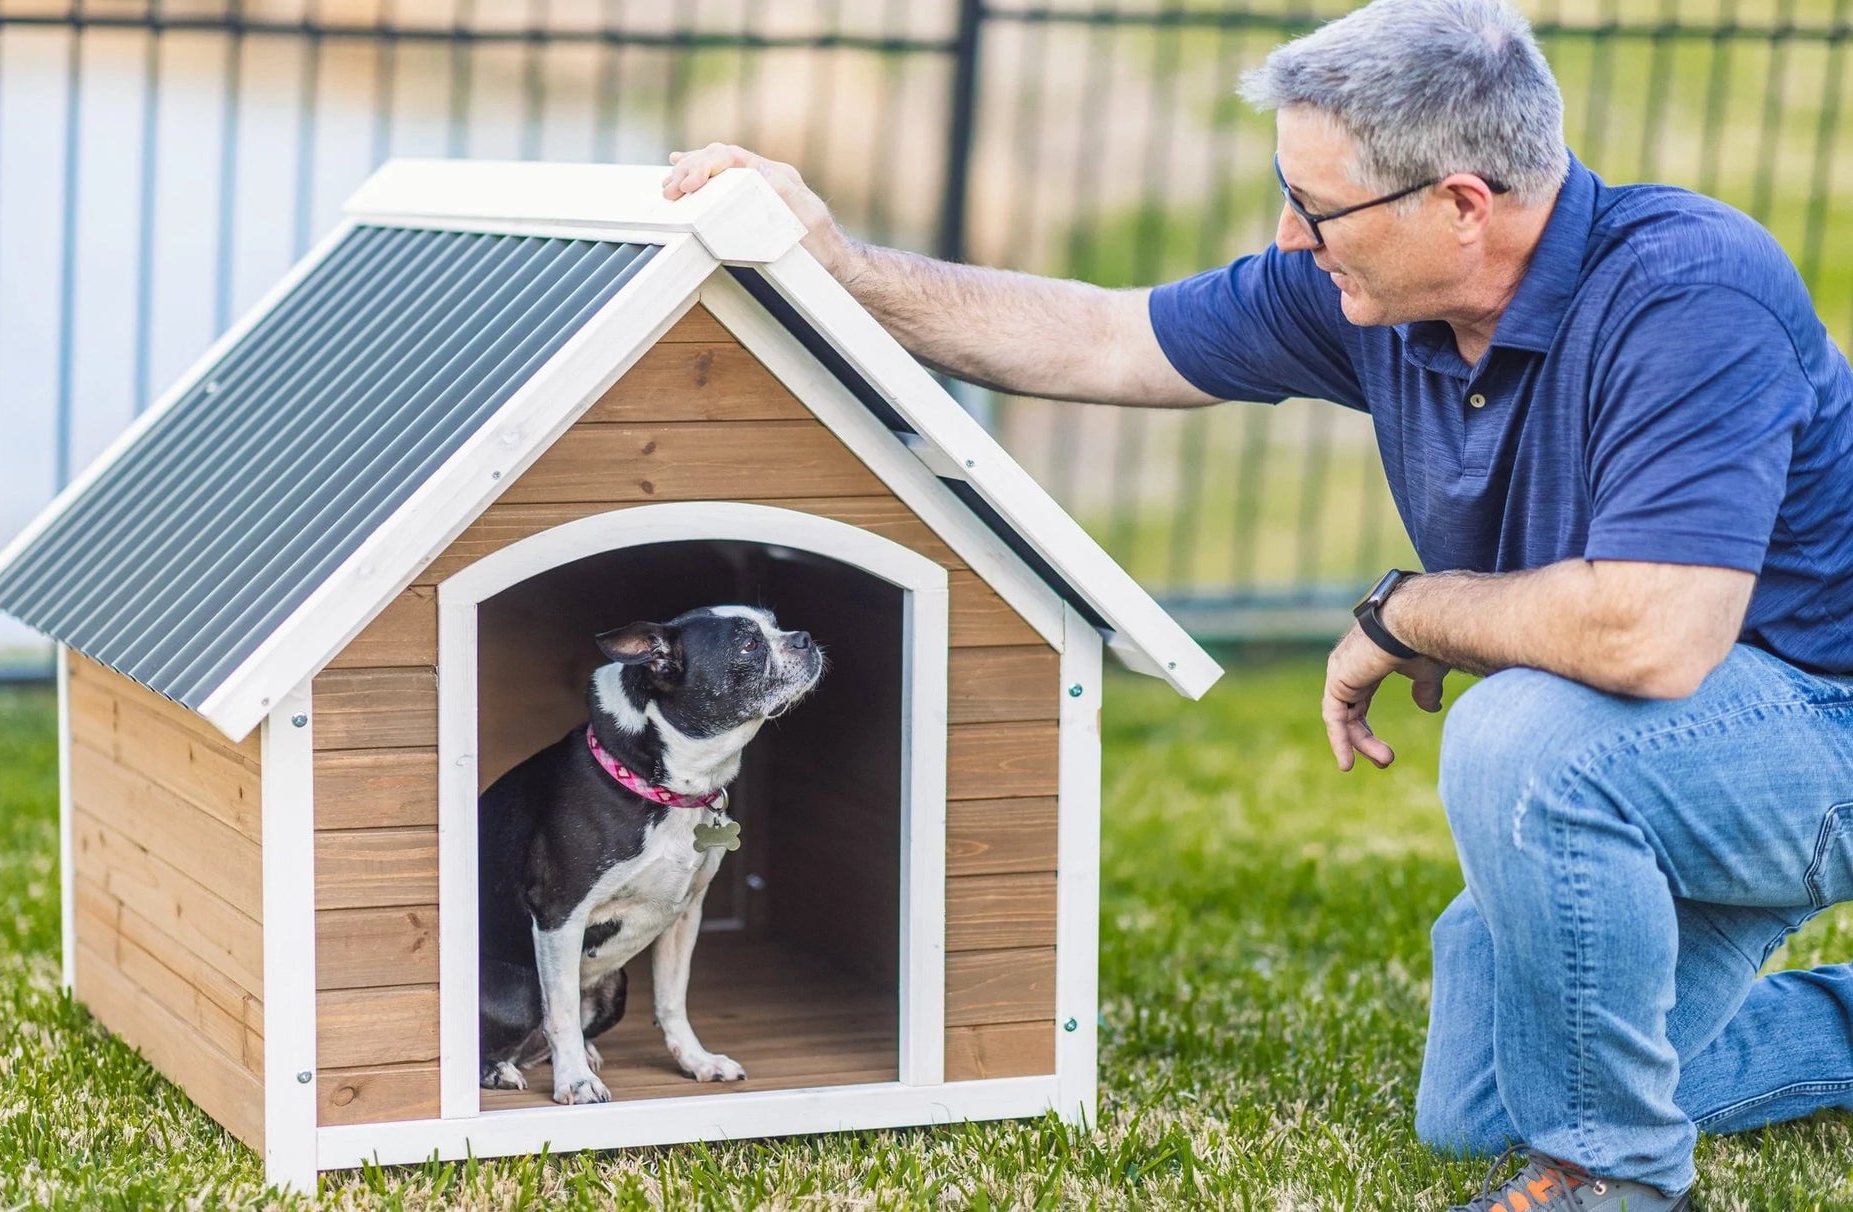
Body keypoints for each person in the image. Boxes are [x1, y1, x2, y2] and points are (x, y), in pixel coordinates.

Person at [660, 0, 1853, 1208]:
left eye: (1317, 207)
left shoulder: (1691, 292)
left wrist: (1413, 611)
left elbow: (1651, 636)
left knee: (1523, 743)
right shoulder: (1375, 298)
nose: (1290, 236)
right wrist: (842, 269)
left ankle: (1615, 1177)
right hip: (1679, 746)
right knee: (1477, 1110)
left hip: (1821, 723)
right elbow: (1101, 337)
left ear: (1460, 203)